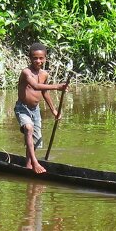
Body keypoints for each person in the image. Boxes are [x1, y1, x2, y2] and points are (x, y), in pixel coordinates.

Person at [15, 42, 69, 174]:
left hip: (35, 110)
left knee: (35, 140)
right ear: (30, 58)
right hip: (23, 108)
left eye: (41, 58)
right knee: (28, 128)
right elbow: (35, 86)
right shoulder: (26, 72)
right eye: (35, 58)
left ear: (45, 58)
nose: (38, 61)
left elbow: (44, 92)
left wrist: (54, 110)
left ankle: (28, 166)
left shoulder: (44, 74)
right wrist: (58, 86)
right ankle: (35, 162)